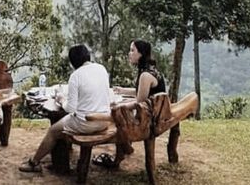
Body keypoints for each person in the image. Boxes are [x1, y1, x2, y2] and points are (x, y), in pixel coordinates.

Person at [19, 44, 110, 173]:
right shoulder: (101, 69)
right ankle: (58, 160)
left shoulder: (76, 76)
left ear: (73, 61)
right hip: (104, 121)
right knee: (65, 125)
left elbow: (70, 109)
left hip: (86, 123)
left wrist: (61, 100)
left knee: (53, 131)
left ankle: (34, 162)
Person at [93, 40, 167, 168]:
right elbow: (142, 92)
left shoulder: (145, 75)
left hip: (149, 120)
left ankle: (122, 151)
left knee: (118, 117)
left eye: (133, 50)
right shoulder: (150, 70)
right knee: (120, 109)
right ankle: (125, 148)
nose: (129, 53)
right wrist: (122, 90)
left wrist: (118, 107)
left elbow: (139, 102)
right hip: (155, 113)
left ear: (141, 54)